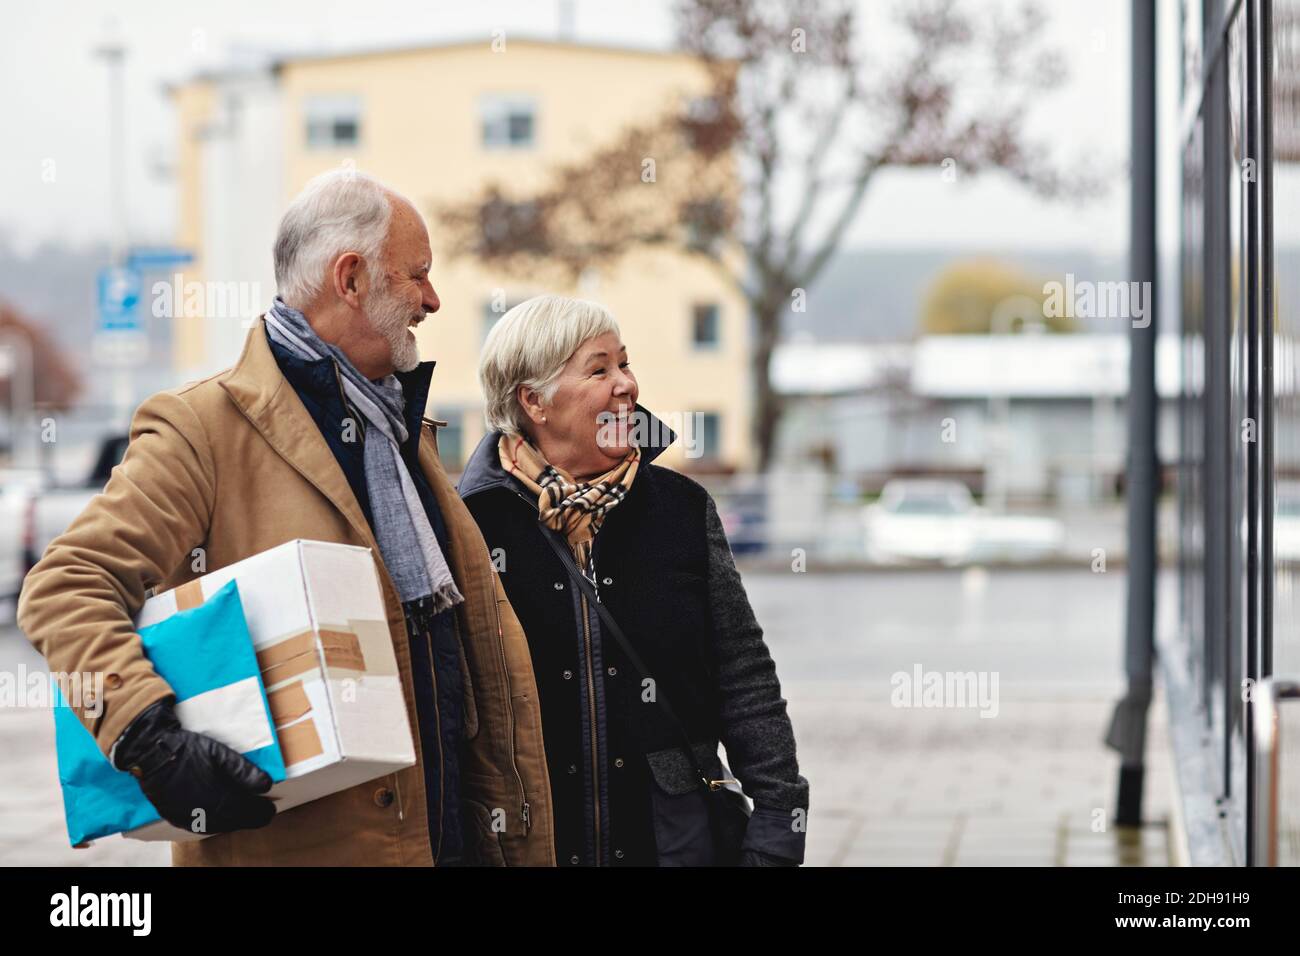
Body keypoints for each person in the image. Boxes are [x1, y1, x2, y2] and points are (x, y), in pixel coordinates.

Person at [18, 169, 554, 866]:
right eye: (417, 276)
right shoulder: (203, 429)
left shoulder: (402, 429)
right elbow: (67, 586)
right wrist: (147, 739)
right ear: (351, 278)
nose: (433, 300)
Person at [459, 294, 808, 866]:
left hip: (674, 840)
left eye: (625, 364)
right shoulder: (472, 523)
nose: (626, 385)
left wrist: (778, 825)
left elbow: (742, 673)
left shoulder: (679, 509)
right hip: (528, 843)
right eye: (599, 370)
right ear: (534, 401)